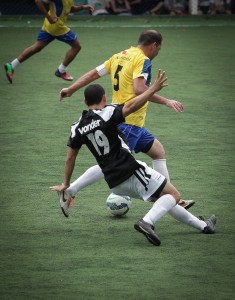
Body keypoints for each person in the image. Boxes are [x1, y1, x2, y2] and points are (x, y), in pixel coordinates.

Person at [50, 71, 216, 246]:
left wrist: (66, 184)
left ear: (85, 102)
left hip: (114, 182)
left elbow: (70, 158)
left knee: (163, 198)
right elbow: (131, 106)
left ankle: (204, 226)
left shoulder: (77, 127)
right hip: (130, 171)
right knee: (173, 195)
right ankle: (147, 222)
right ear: (105, 99)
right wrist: (152, 89)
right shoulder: (108, 112)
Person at [58, 29, 195, 214]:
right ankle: (70, 191)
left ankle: (169, 198)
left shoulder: (120, 56)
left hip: (127, 121)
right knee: (109, 163)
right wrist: (166, 101)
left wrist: (72, 88)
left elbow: (93, 74)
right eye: (158, 49)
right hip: (127, 120)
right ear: (154, 46)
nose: (156, 53)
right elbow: (140, 90)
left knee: (158, 152)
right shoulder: (143, 60)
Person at [4, 0, 94, 84]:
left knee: (37, 46)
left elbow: (69, 8)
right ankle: (61, 71)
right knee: (77, 46)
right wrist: (49, 17)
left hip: (49, 24)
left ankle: (12, 65)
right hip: (57, 25)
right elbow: (38, 1)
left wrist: (83, 7)